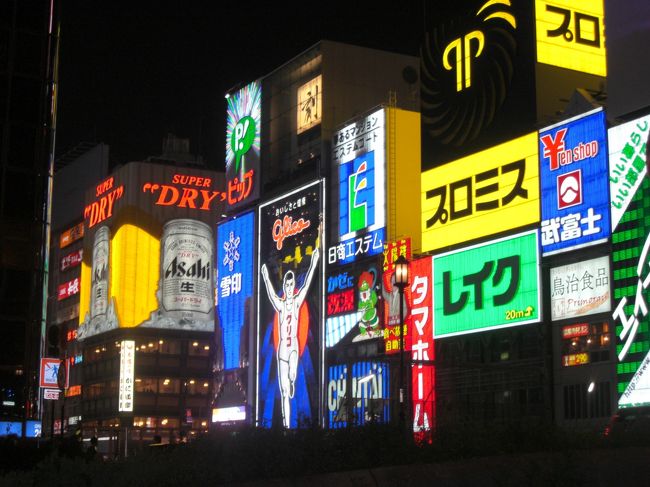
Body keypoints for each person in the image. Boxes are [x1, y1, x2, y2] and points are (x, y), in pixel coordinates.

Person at [260, 247, 320, 428]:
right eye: (286, 285)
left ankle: (293, 379)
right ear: (285, 287)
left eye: (290, 284)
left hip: (293, 346)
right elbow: (271, 294)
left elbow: (308, 283)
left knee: (292, 375)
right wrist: (265, 276)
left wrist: (315, 261)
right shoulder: (279, 304)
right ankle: (287, 425)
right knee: (284, 391)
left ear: (293, 286)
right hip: (281, 352)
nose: (288, 287)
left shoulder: (297, 302)